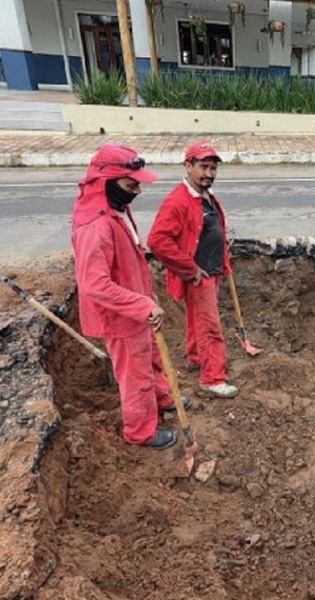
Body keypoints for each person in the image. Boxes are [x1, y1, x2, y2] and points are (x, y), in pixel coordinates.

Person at [71, 144, 190, 450]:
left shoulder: (117, 207)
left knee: (152, 357)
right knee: (135, 375)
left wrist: (147, 297)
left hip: (137, 307)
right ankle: (141, 431)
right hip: (120, 317)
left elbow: (131, 257)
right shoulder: (95, 225)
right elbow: (94, 283)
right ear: (108, 181)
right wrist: (140, 304)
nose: (137, 190)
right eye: (131, 184)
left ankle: (163, 398)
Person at [148, 141, 239, 399]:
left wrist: (222, 259)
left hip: (211, 271)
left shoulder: (205, 196)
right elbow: (158, 240)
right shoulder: (178, 201)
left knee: (195, 320)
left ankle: (196, 358)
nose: (209, 173)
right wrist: (190, 268)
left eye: (213, 168)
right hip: (199, 276)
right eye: (203, 167)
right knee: (211, 327)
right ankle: (213, 379)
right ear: (188, 166)